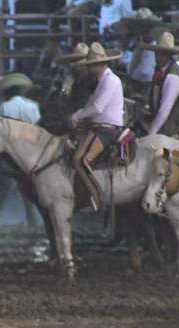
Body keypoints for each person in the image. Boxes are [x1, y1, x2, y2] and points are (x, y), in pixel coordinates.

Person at [0, 73, 41, 229]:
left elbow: (4, 133)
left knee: (2, 189)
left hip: (12, 153)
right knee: (29, 188)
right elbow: (39, 129)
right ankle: (34, 221)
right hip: (31, 151)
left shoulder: (5, 107)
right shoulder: (33, 106)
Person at [69, 42, 124, 212]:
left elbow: (98, 107)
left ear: (100, 64)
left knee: (80, 159)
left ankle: (96, 197)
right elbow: (92, 103)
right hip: (100, 126)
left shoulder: (110, 81)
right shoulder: (103, 80)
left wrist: (78, 114)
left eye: (92, 65)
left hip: (107, 129)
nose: (90, 68)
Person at [141, 31, 179, 137]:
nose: (158, 57)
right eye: (157, 53)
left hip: (173, 127)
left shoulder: (172, 77)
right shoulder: (160, 71)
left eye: (163, 54)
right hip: (165, 123)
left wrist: (151, 134)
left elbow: (164, 110)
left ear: (169, 55)